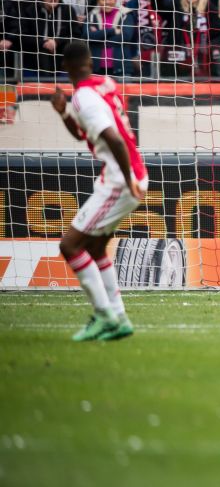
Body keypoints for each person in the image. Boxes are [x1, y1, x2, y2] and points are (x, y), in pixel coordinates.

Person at [49, 40, 147, 341]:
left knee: (70, 246)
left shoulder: (84, 98)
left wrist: (127, 176)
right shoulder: (104, 83)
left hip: (120, 178)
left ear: (65, 67)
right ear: (90, 64)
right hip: (128, 174)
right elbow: (83, 134)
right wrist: (64, 112)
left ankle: (105, 316)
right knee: (94, 249)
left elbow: (113, 139)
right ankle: (119, 318)